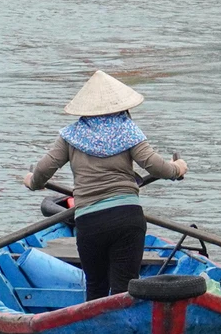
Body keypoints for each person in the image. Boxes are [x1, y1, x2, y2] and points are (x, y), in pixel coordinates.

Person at [22, 71, 187, 301]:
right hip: (127, 218)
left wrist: (33, 182)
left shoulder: (71, 136)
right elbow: (156, 166)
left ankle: (96, 322)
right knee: (125, 290)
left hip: (90, 223)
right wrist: (177, 168)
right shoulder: (128, 131)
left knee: (96, 288)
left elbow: (43, 170)